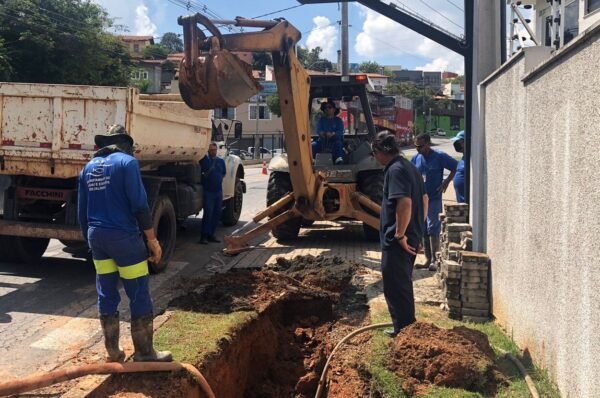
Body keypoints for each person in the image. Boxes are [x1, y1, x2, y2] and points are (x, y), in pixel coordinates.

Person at [78, 125, 171, 362]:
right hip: (123, 238)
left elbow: (82, 212)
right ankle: (144, 352)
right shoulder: (127, 163)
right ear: (125, 144)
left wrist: (90, 239)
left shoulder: (88, 167)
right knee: (138, 290)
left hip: (96, 237)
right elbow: (139, 205)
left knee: (106, 291)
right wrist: (152, 240)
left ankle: (113, 352)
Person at [372, 131, 428, 337]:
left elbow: (405, 203)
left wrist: (400, 235)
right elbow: (424, 200)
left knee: (395, 285)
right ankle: (405, 328)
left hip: (398, 241)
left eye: (374, 153)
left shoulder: (394, 170)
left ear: (380, 151)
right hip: (411, 236)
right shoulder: (410, 166)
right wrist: (417, 232)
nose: (375, 157)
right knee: (402, 282)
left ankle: (404, 332)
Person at [411, 133, 457, 271]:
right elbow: (410, 173)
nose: (418, 149)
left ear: (428, 144)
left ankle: (436, 260)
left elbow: (456, 167)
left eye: (420, 146)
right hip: (420, 199)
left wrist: (446, 182)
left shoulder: (440, 156)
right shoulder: (416, 158)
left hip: (434, 198)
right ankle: (428, 259)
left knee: (433, 227)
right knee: (423, 227)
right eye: (416, 146)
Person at [199, 142, 226, 244]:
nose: (213, 152)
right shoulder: (204, 160)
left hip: (218, 192)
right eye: (211, 150)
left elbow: (223, 173)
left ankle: (211, 234)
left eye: (214, 150)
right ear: (208, 150)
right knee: (208, 214)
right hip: (208, 192)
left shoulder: (220, 161)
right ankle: (204, 236)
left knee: (217, 213)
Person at [312, 99, 345, 165]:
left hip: (334, 141)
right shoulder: (322, 120)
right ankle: (312, 160)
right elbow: (318, 130)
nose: (327, 109)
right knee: (313, 145)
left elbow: (340, 132)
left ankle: (338, 159)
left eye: (329, 107)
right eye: (325, 107)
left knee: (338, 144)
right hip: (323, 142)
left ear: (334, 109)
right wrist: (322, 133)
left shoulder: (338, 121)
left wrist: (333, 134)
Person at [452, 131, 466, 203]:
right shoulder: (463, 158)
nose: (457, 144)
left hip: (466, 201)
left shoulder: (471, 159)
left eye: (460, 141)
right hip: (460, 201)